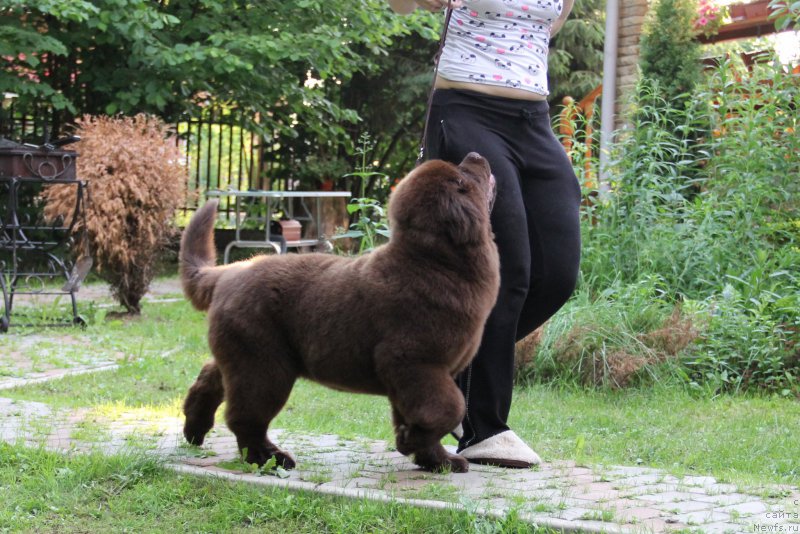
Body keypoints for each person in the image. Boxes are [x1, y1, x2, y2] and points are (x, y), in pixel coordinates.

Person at [387, 0, 580, 467]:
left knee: (557, 273)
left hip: (533, 118)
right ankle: (484, 428)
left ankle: (438, 369)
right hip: (466, 109)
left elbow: (549, 23)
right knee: (508, 269)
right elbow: (400, 6)